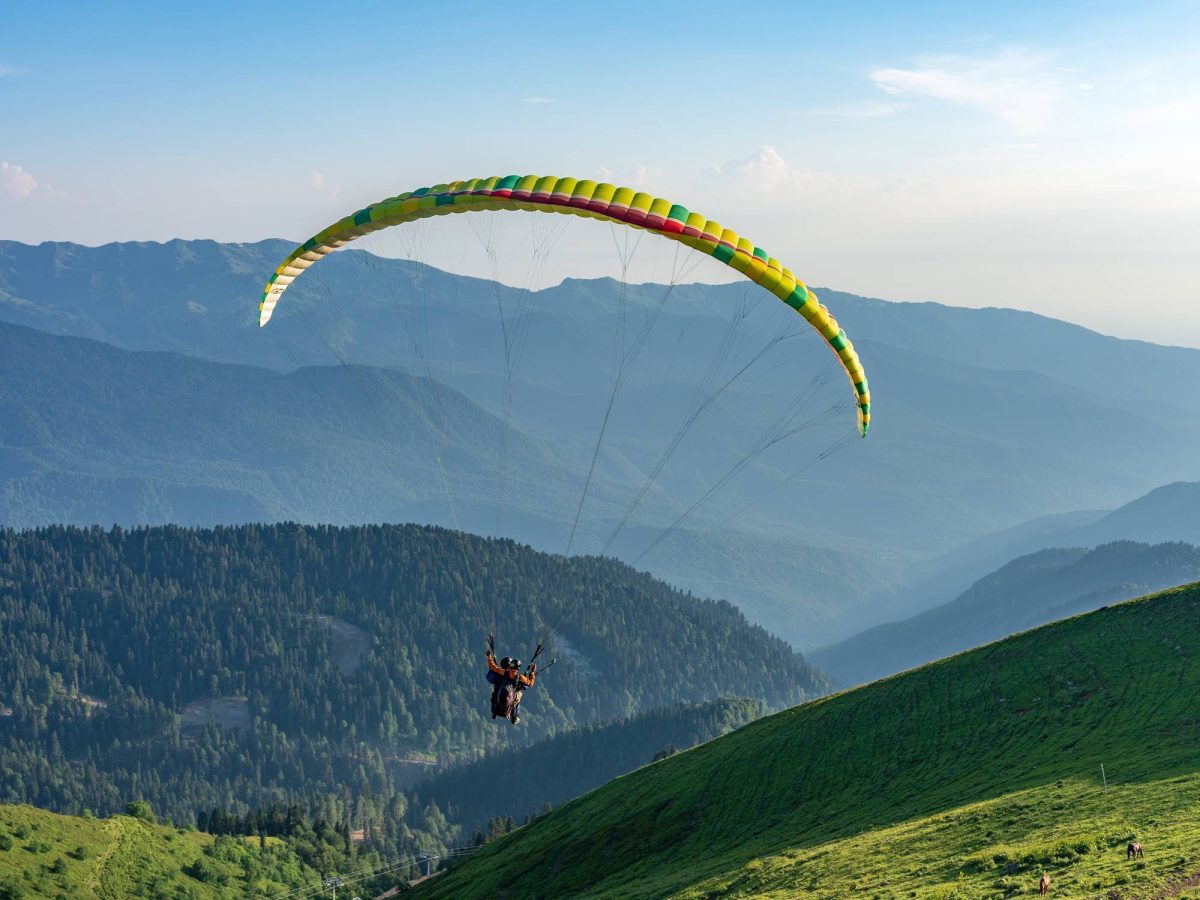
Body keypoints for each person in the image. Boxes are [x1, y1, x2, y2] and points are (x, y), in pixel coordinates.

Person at [486, 648, 536, 724]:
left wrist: (489, 656)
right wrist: (532, 672)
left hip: (498, 697)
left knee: (496, 693)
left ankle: (495, 712)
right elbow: (530, 683)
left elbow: (492, 667)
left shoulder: (504, 672)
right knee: (518, 696)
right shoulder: (520, 677)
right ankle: (515, 716)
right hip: (512, 695)